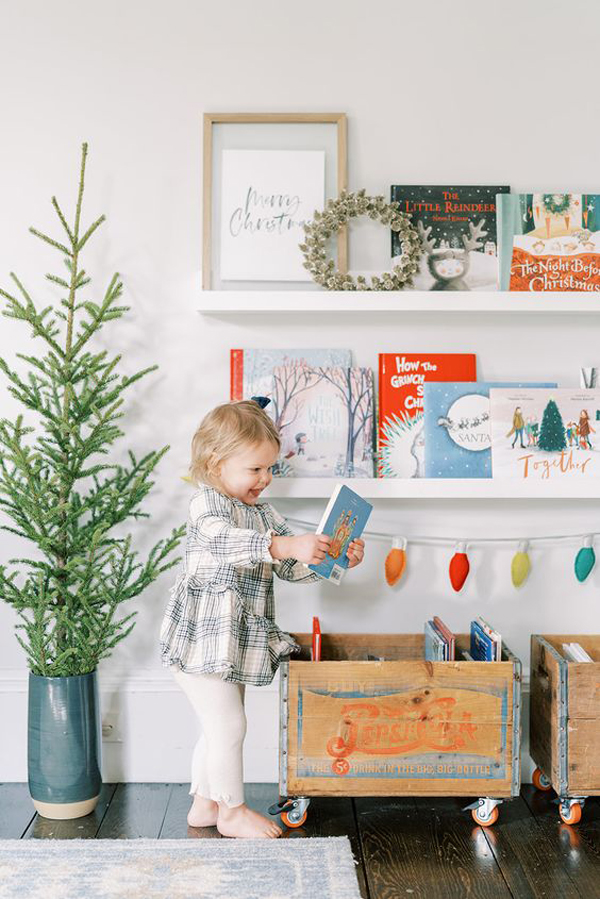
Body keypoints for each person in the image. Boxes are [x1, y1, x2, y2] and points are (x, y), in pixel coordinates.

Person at [159, 398, 365, 839]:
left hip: (234, 642)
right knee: (229, 725)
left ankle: (205, 804)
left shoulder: (264, 514)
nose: (266, 478)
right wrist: (284, 546)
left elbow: (291, 567)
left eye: (270, 468)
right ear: (216, 463)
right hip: (200, 638)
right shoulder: (206, 505)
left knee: (217, 726)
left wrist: (333, 557)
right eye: (255, 469)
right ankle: (232, 812)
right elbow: (224, 543)